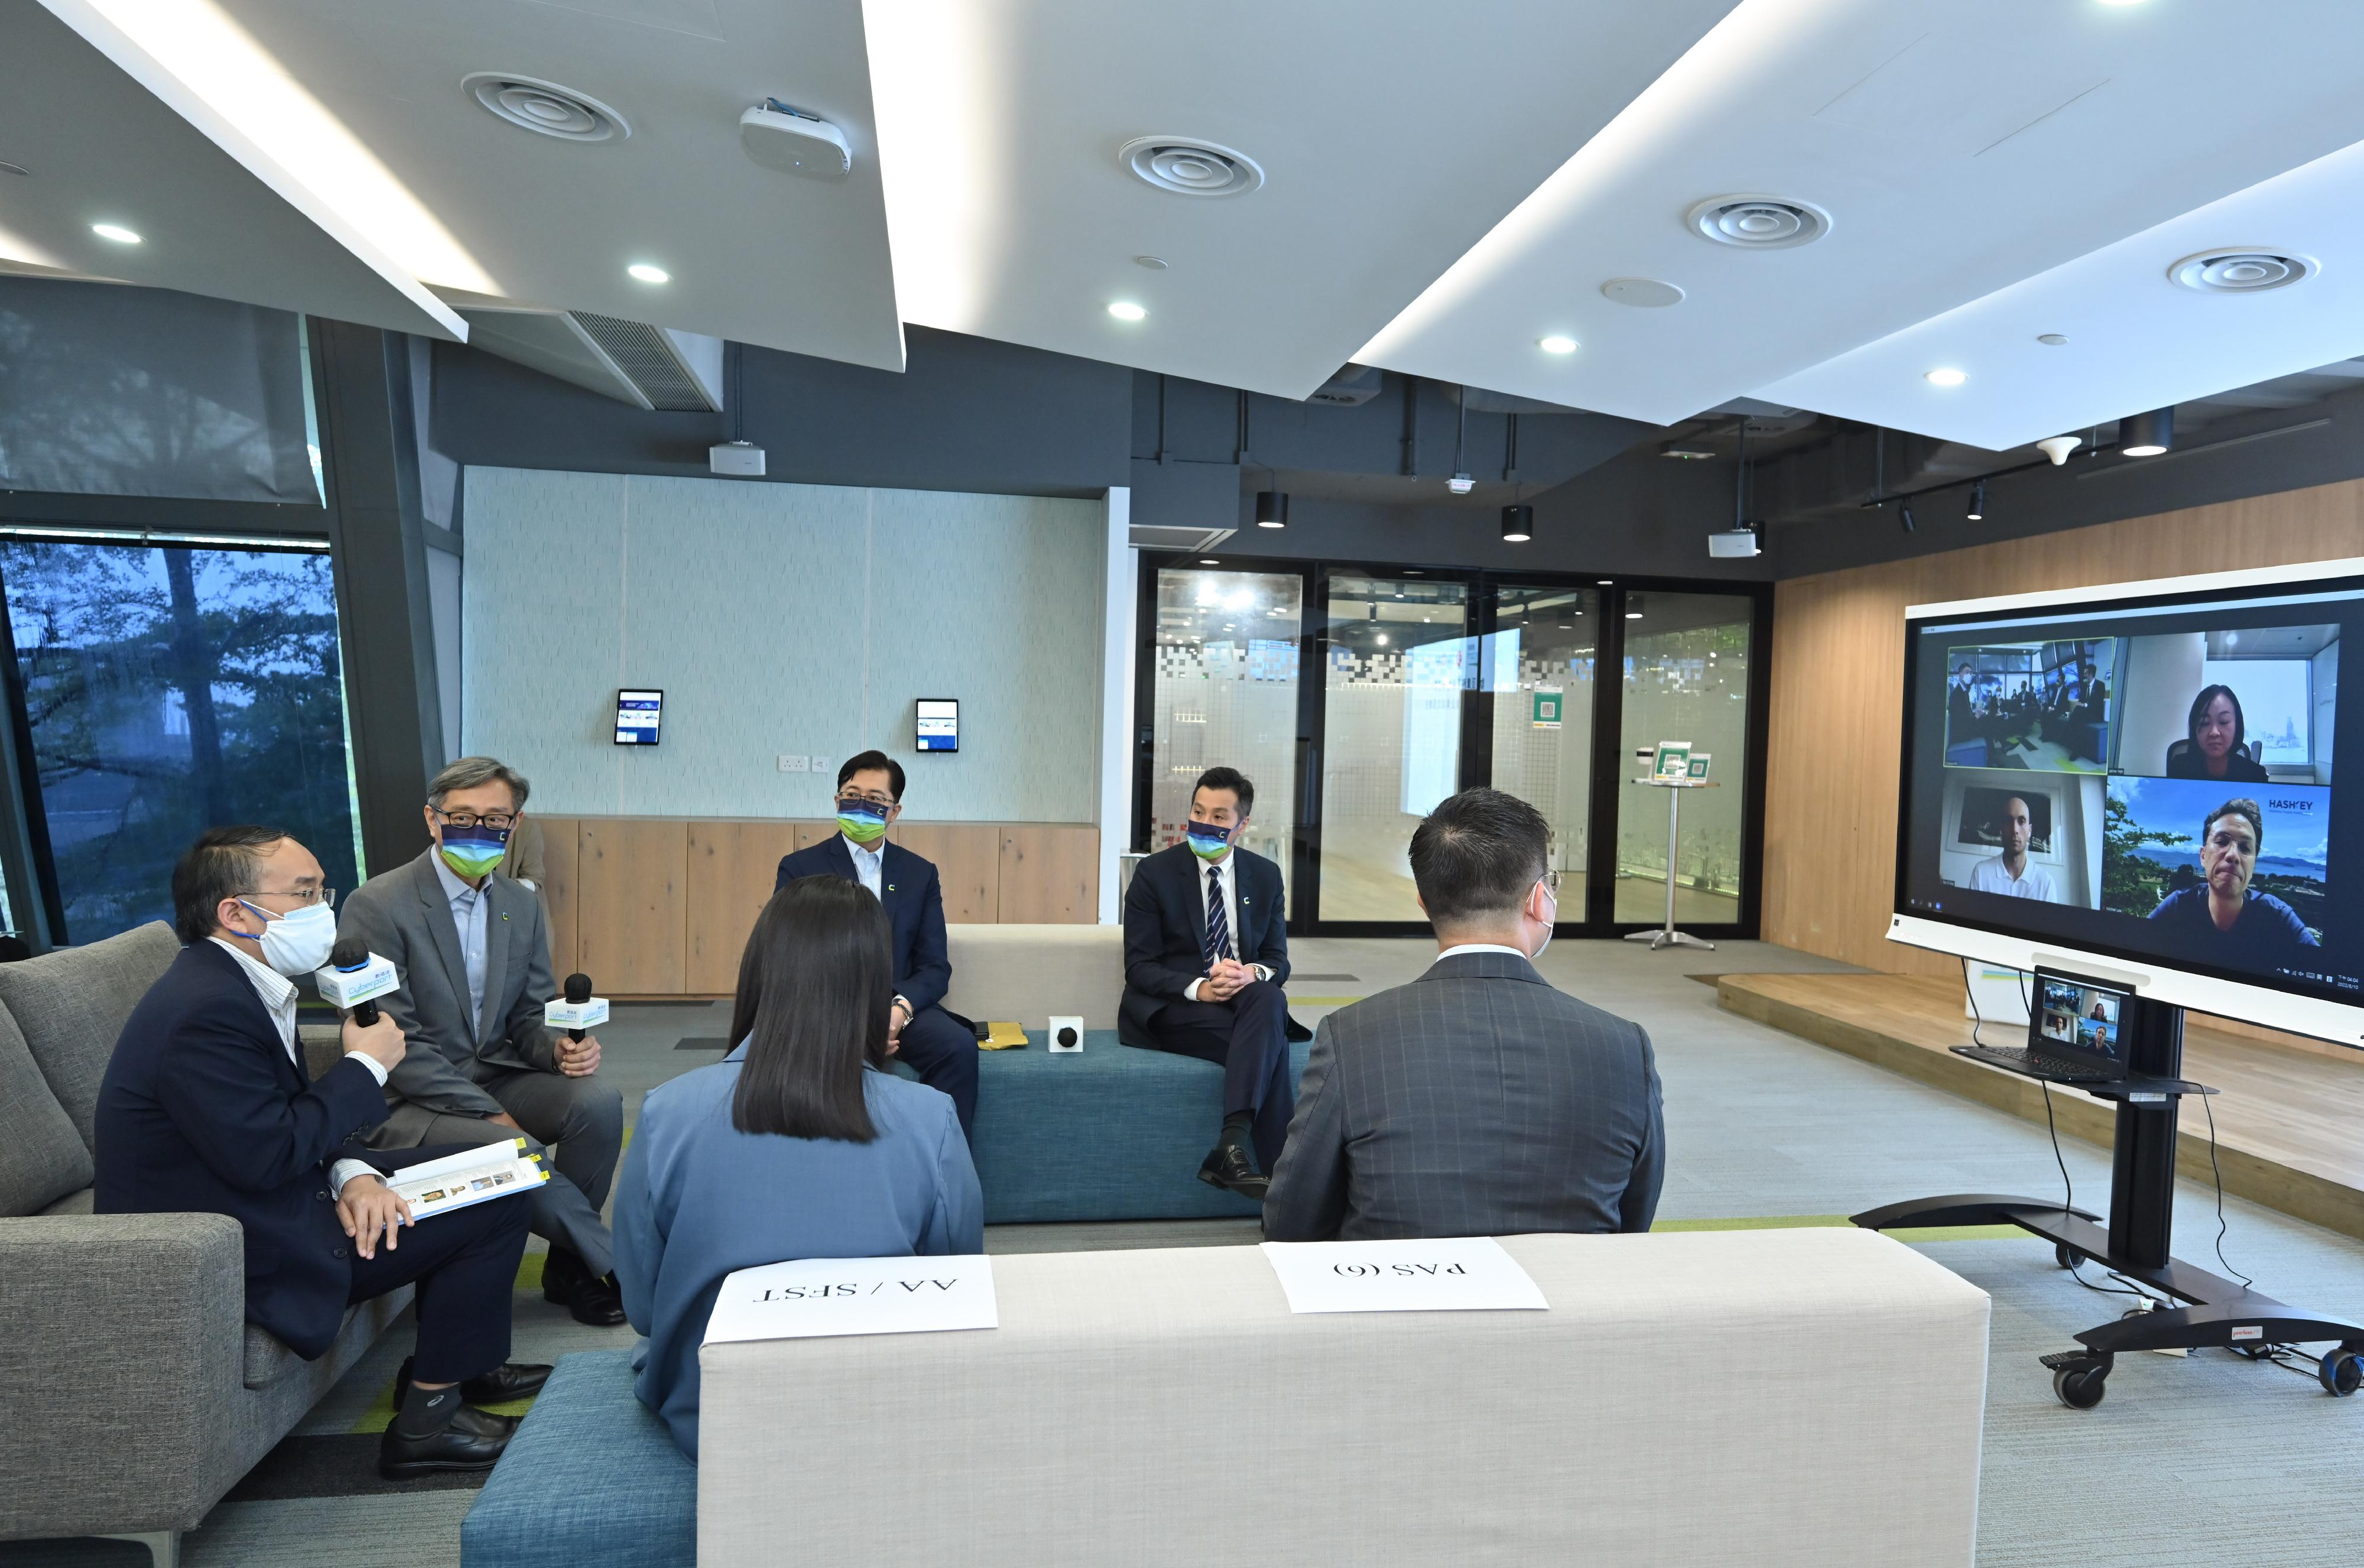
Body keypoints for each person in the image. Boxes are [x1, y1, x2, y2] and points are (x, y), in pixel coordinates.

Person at [94, 826, 544, 1478]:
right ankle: (427, 1422)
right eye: (304, 894)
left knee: (500, 1170)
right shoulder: (205, 1011)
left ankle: (457, 1366)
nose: (322, 910)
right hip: (237, 1231)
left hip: (271, 1184)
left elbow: (279, 1122)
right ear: (234, 912)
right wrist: (363, 1069)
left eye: (321, 891)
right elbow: (266, 1156)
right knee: (493, 1209)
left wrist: (354, 1171)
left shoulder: (239, 982)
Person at [615, 876, 982, 1459]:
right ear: (872, 989)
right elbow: (955, 1282)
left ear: (758, 973)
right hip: (885, 1414)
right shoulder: (931, 1118)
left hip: (715, 1418)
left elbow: (641, 1305)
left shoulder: (667, 1112)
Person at [1263, 788, 1663, 1242]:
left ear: (1423, 902)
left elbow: (1292, 1220)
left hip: (1402, 1299)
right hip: (1574, 1300)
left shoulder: (1352, 1036)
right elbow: (1634, 1224)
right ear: (1538, 899)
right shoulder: (1624, 1045)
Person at [339, 757, 626, 1327]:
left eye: (494, 819)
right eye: (462, 817)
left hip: (496, 1072)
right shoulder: (376, 904)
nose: (478, 831)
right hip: (411, 1098)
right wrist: (491, 1113)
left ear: (514, 825)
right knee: (511, 1150)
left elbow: (529, 1013)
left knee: (598, 1101)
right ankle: (617, 1266)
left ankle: (567, 1266)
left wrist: (558, 1052)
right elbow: (395, 1042)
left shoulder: (520, 904)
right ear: (432, 819)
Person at [772, 751, 978, 1139]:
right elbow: (786, 955)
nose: (861, 806)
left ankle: (943, 1166)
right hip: (823, 1006)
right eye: (852, 795)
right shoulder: (799, 868)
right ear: (837, 801)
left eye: (875, 800)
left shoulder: (920, 873)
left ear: (894, 811)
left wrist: (898, 1011)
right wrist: (849, 1018)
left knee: (958, 1046)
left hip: (896, 1005)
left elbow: (935, 967)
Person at [1120, 765, 1295, 1197]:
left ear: (1242, 824)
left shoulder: (1266, 876)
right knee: (1270, 1046)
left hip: (1243, 1003)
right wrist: (1200, 987)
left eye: (1219, 816)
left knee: (1270, 998)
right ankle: (1291, 1191)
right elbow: (1139, 966)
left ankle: (1231, 1147)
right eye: (1198, 811)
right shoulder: (1155, 875)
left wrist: (1249, 973)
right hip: (1177, 1008)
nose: (1205, 822)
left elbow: (1277, 961)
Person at [2147, 797, 2318, 965]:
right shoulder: (2179, 906)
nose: (2233, 855)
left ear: (2253, 866)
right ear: (2203, 856)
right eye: (2222, 842)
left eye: (2245, 848)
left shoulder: (2278, 916)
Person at [2166, 684, 2270, 783]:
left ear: (2237, 726)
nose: (2214, 732)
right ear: (2194, 727)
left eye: (2224, 721)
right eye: (2205, 723)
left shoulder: (2255, 775)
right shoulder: (2180, 768)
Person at [1966, 796, 2057, 901]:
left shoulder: (2046, 883)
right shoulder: (1981, 873)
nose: (2015, 830)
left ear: (2030, 831)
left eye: (2022, 821)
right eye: (2008, 821)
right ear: (2001, 829)